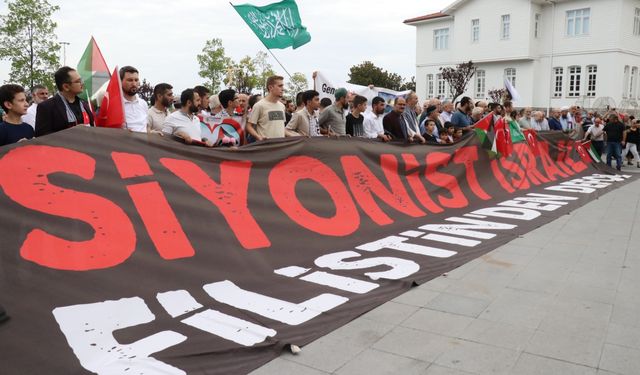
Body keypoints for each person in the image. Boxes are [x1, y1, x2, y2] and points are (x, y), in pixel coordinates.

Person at [35, 66, 94, 136]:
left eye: (81, 80)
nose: (82, 83)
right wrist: (72, 132)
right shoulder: (47, 107)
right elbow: (42, 136)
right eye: (78, 81)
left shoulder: (83, 103)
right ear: (66, 87)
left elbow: (92, 126)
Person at [246, 75, 286, 142]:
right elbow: (249, 126)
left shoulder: (282, 106)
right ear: (270, 87)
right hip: (265, 147)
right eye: (280, 86)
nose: (283, 89)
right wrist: (258, 137)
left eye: (282, 86)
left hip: (280, 147)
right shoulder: (259, 105)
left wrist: (298, 136)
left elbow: (282, 128)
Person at [120, 66, 148, 133]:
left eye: (136, 80)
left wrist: (152, 133)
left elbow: (145, 127)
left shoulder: (143, 103)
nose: (134, 84)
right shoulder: (114, 104)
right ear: (120, 81)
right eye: (130, 80)